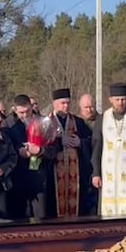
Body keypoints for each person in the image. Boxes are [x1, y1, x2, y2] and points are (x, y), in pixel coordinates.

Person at [91, 83, 126, 219]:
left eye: (123, 99)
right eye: (117, 100)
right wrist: (96, 173)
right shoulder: (103, 118)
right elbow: (96, 147)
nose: (120, 103)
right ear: (111, 100)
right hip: (107, 174)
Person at [48, 88, 87, 217]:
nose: (66, 106)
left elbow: (91, 141)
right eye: (62, 103)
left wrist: (80, 142)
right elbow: (43, 145)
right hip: (53, 173)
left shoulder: (78, 122)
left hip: (74, 173)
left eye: (68, 103)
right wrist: (59, 141)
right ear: (54, 104)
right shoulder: (46, 122)